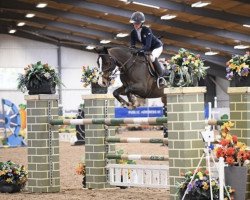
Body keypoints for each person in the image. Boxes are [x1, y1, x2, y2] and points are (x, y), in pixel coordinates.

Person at [129, 11, 166, 86]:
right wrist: (132, 50)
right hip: (146, 48)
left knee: (152, 58)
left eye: (137, 23)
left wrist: (139, 50)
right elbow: (132, 45)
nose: (135, 25)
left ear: (141, 23)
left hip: (157, 47)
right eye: (134, 23)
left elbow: (148, 46)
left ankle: (160, 77)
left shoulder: (147, 30)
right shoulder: (133, 32)